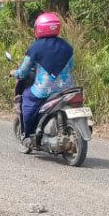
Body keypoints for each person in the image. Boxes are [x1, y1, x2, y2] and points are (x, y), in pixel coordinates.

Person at [11, 12, 75, 146]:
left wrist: (14, 73)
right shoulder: (67, 46)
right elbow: (71, 66)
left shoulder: (35, 47)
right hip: (67, 89)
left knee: (27, 100)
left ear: (39, 28)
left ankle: (28, 135)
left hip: (44, 90)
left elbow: (23, 72)